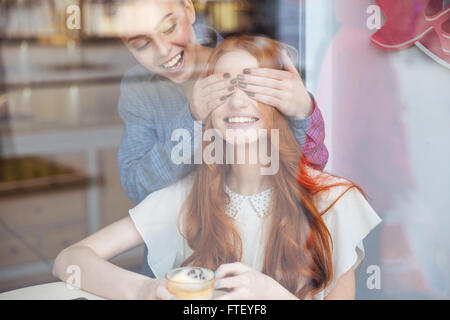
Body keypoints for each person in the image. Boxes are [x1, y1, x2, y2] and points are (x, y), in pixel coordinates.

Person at [53, 36, 381, 300]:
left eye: (252, 88)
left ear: (282, 103)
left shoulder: (334, 202)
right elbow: (70, 260)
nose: (237, 102)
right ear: (204, 111)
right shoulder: (184, 198)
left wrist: (273, 295)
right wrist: (144, 289)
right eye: (223, 89)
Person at [117, 0, 328, 206]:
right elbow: (138, 187)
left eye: (169, 27)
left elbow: (311, 171)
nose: (163, 50)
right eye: (141, 44)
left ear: (189, 9)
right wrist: (191, 119)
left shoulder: (252, 59)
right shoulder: (139, 89)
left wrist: (303, 112)